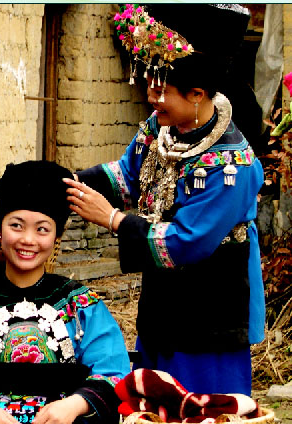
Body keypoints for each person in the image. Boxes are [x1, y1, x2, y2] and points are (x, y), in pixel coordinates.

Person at [66, 4, 263, 395]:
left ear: (197, 94)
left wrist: (113, 220)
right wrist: (68, 184)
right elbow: (128, 176)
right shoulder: (161, 127)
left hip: (212, 301)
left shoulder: (231, 165)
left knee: (203, 405)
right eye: (150, 85)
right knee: (154, 398)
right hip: (162, 296)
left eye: (161, 90)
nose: (151, 97)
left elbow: (187, 240)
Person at [0, 160, 130, 424]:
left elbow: (113, 371)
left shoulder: (80, 304)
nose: (28, 239)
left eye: (42, 229)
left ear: (56, 236)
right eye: (16, 225)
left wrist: (73, 405)